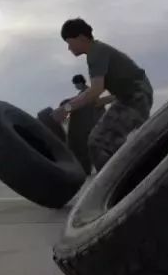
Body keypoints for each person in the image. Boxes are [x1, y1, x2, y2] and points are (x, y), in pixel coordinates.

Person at [54, 18, 153, 171]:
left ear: (81, 38)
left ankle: (120, 186)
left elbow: (95, 91)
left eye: (69, 42)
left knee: (98, 143)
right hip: (130, 97)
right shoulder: (96, 52)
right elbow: (95, 92)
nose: (68, 48)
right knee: (110, 143)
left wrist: (66, 109)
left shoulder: (96, 52)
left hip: (135, 98)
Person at [60, 74, 106, 174]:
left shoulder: (86, 94)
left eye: (75, 84)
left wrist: (65, 107)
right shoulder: (88, 92)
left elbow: (73, 106)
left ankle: (93, 169)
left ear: (80, 83)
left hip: (89, 127)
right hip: (93, 126)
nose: (75, 86)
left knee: (85, 149)